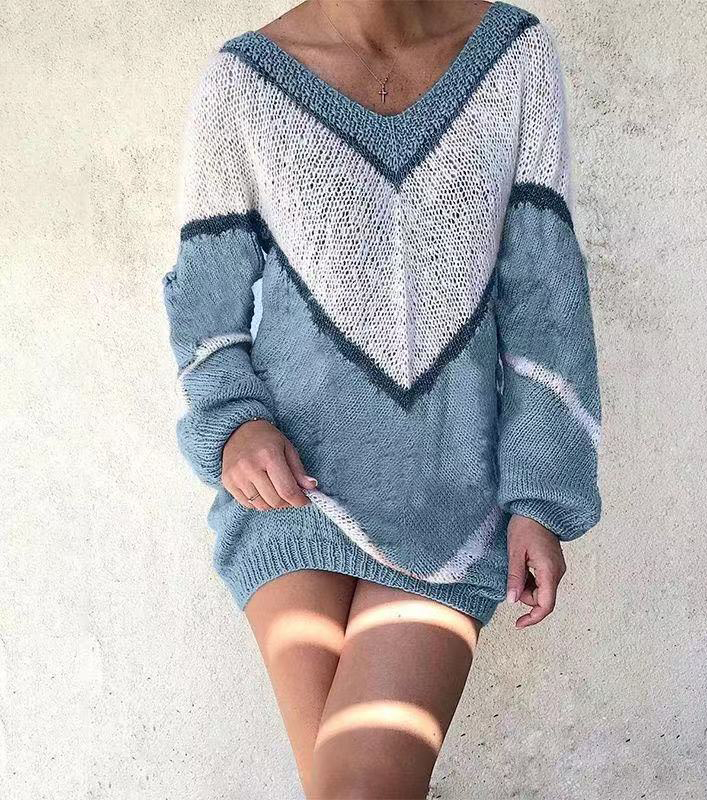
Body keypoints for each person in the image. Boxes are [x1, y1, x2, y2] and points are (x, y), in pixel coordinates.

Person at [161, 1, 602, 796]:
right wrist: (236, 425)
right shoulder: (245, 80)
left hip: (449, 506)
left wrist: (538, 494)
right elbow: (205, 304)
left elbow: (546, 297)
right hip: (292, 496)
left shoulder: (513, 56)